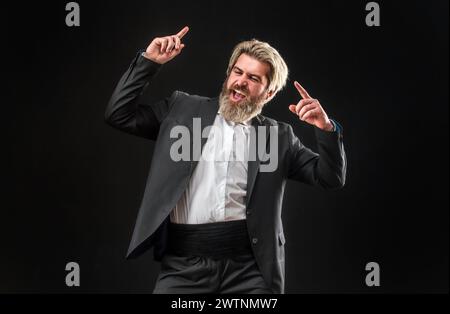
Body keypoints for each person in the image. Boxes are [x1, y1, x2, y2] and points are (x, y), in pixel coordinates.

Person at [104, 26, 346, 294]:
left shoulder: (279, 136)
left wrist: (326, 129)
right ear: (229, 74)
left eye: (253, 78)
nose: (241, 81)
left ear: (269, 93)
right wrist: (148, 63)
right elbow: (119, 115)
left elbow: (330, 177)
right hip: (184, 266)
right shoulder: (182, 109)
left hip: (250, 269)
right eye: (237, 72)